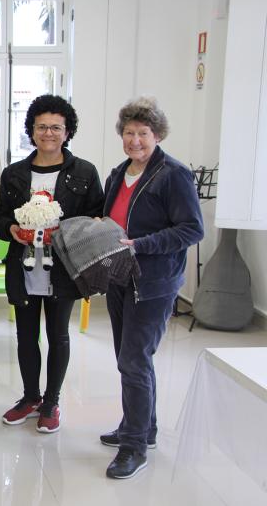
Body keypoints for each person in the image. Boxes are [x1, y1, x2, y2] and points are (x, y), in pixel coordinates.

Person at [101, 96, 203, 479]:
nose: (135, 140)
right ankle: (142, 428)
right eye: (129, 133)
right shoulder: (118, 173)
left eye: (143, 133)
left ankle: (134, 447)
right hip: (118, 275)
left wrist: (142, 245)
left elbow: (192, 229)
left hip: (153, 282)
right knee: (130, 359)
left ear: (157, 135)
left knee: (133, 360)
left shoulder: (172, 174)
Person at [0, 94, 104, 433]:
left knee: (58, 335)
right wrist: (11, 228)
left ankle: (52, 401)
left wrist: (66, 233)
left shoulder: (84, 171)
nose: (49, 133)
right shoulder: (14, 173)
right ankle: (30, 398)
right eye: (42, 127)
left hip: (63, 268)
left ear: (67, 131)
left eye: (56, 127)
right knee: (25, 336)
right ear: (32, 130)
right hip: (23, 265)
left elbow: (96, 217)